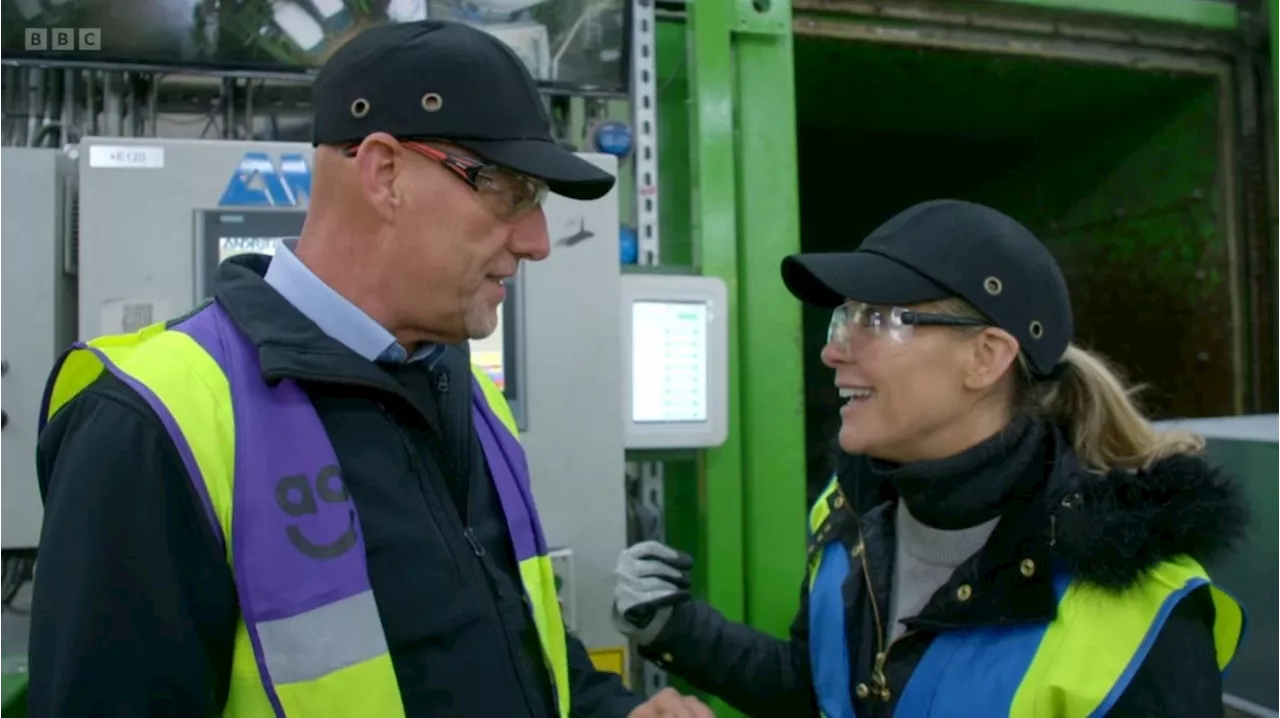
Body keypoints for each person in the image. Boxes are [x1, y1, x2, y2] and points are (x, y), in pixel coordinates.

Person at [30, 19, 711, 718]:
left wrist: (612, 711)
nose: (538, 241)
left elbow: (506, 644)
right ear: (385, 173)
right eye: (512, 191)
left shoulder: (468, 397)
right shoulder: (152, 427)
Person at [612, 199, 1250, 717]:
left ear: (987, 357)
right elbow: (826, 694)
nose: (834, 351)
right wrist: (676, 627)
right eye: (844, 317)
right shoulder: (851, 515)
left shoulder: (1137, 616)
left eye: (880, 319)